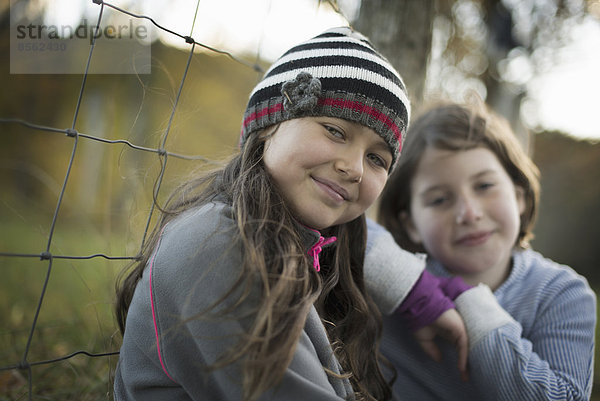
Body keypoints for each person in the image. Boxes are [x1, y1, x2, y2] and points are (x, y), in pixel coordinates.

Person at [113, 27, 469, 401]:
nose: (355, 168)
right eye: (334, 130)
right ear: (269, 126)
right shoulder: (218, 245)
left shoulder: (313, 252)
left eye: (376, 158)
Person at [375, 101, 597, 400]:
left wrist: (472, 305)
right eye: (439, 200)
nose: (469, 213)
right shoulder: (388, 277)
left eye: (484, 186)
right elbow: (335, 228)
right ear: (411, 222)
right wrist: (413, 290)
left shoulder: (561, 293)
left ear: (518, 197)